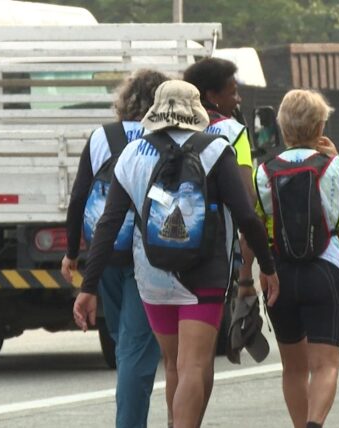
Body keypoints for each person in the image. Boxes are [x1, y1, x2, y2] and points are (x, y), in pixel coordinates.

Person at [73, 80, 280, 428]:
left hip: (152, 274)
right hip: (205, 274)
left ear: (155, 112)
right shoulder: (216, 149)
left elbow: (108, 225)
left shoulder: (133, 154)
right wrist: (266, 266)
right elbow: (246, 215)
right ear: (196, 111)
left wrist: (88, 286)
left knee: (173, 366)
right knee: (194, 366)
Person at [60, 69, 168, 428]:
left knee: (125, 340)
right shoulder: (166, 137)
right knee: (136, 347)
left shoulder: (102, 137)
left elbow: (79, 198)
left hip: (105, 252)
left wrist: (72, 251)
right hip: (149, 257)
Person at [255, 89, 339, 428]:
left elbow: (256, 224)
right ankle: (315, 424)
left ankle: (299, 424)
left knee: (293, 368)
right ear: (320, 126)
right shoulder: (336, 166)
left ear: (282, 128)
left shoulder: (263, 172)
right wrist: (337, 159)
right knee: (325, 365)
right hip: (326, 271)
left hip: (280, 275)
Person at [183, 58, 257, 296]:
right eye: (233, 93)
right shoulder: (232, 131)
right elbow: (248, 198)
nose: (238, 99)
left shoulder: (170, 128)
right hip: (215, 249)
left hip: (164, 247)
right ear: (212, 95)